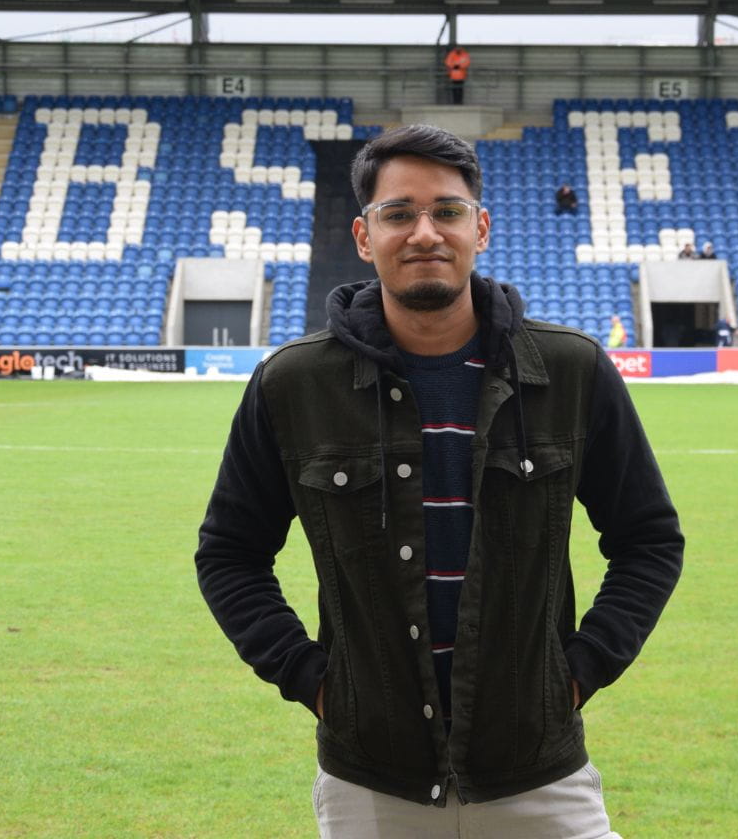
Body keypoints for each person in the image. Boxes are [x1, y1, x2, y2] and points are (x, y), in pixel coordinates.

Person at [196, 124, 683, 838]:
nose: (425, 231)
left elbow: (648, 539)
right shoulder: (293, 384)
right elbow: (229, 553)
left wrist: (576, 674)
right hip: (371, 784)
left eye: (446, 211)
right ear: (365, 237)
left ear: (479, 227)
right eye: (398, 213)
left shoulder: (570, 370)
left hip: (541, 777)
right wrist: (315, 683)